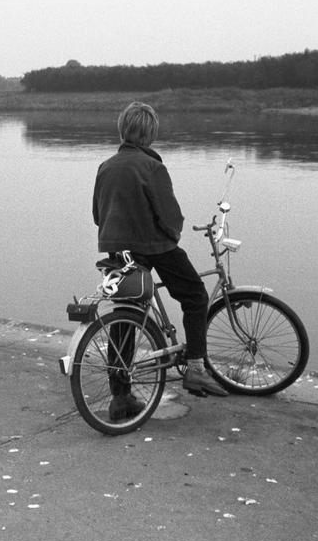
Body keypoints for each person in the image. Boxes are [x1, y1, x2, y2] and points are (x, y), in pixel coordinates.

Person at [93, 101, 228, 421]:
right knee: (195, 295)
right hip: (154, 245)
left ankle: (120, 397)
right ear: (150, 134)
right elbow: (170, 217)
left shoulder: (106, 166)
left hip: (117, 250)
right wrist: (172, 236)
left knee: (127, 314)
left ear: (123, 129)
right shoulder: (152, 167)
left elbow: (98, 214)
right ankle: (195, 366)